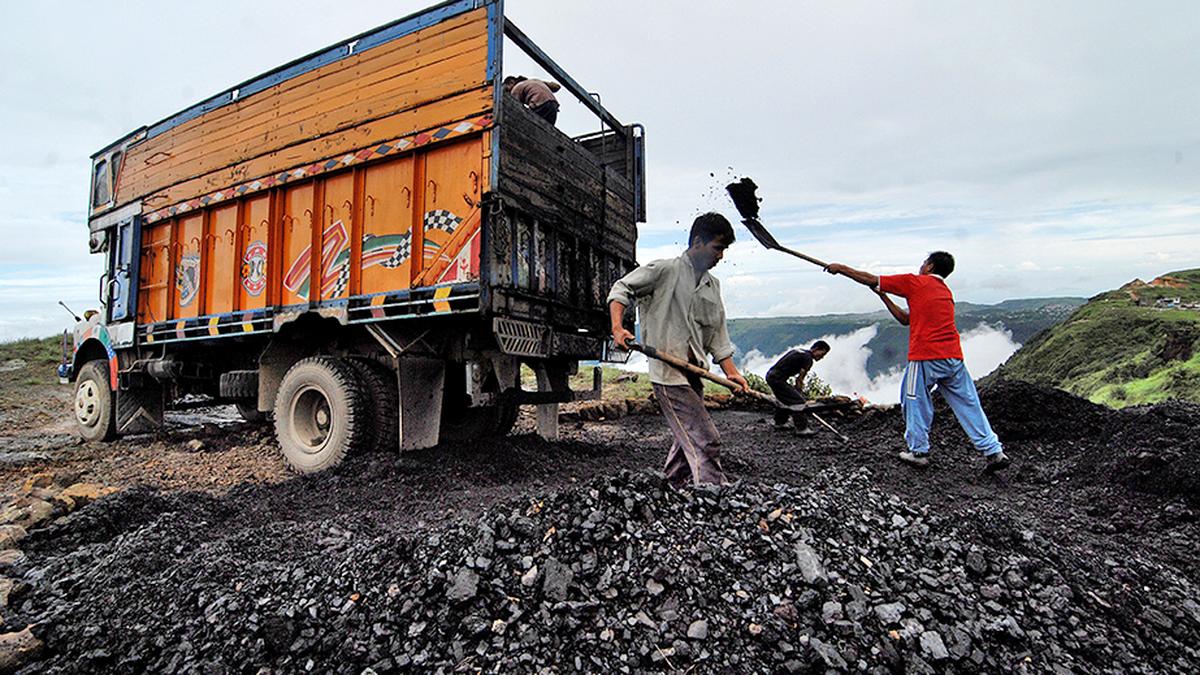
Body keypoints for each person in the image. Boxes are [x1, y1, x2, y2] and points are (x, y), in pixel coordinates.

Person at [824, 252, 1010, 472]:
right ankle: (993, 451)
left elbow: (870, 278)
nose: (921, 266)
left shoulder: (916, 282)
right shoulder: (944, 292)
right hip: (953, 357)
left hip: (926, 356)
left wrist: (840, 268)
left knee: (913, 401)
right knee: (969, 404)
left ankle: (918, 451)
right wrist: (883, 296)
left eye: (924, 262)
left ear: (930, 266)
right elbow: (905, 319)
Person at [608, 213, 749, 488]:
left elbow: (717, 335)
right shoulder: (665, 271)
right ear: (698, 242)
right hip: (668, 375)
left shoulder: (712, 285)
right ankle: (714, 496)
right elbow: (621, 288)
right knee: (705, 439)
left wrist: (732, 373)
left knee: (687, 437)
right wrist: (617, 328)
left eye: (724, 250)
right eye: (717, 248)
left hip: (694, 374)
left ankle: (672, 487)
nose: (721, 256)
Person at [766, 341, 830, 436]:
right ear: (816, 349)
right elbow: (800, 379)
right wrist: (800, 394)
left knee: (786, 400)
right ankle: (802, 429)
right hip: (777, 379)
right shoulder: (808, 359)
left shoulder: (800, 351)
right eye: (822, 353)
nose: (822, 357)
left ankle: (779, 422)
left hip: (771, 376)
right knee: (798, 401)